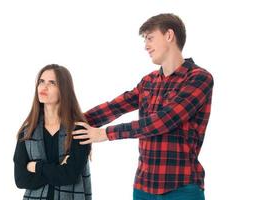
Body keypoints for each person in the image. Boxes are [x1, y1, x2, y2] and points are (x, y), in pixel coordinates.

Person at [73, 13, 213, 200]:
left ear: (169, 35)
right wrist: (70, 118)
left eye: (150, 38)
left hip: (182, 188)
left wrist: (105, 133)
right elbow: (115, 106)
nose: (146, 45)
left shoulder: (199, 78)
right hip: (143, 188)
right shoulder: (148, 81)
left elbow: (163, 121)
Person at [13, 64, 91, 200]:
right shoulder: (27, 132)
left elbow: (70, 175)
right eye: (41, 82)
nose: (44, 87)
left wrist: (36, 167)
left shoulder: (79, 130)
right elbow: (20, 180)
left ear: (64, 90)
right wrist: (59, 168)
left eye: (52, 83)